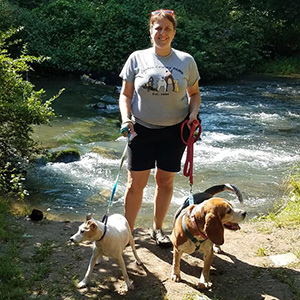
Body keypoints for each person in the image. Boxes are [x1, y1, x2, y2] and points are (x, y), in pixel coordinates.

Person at [118, 9, 201, 247]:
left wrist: (193, 115)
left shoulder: (186, 61)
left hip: (175, 131)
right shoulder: (136, 58)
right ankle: (128, 232)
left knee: (165, 181)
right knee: (135, 184)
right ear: (150, 30)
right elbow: (125, 95)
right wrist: (126, 119)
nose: (162, 33)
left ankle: (157, 229)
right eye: (158, 28)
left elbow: (194, 95)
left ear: (174, 32)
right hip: (140, 129)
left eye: (167, 29)